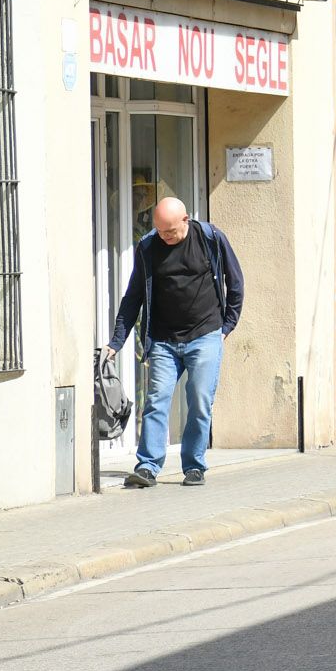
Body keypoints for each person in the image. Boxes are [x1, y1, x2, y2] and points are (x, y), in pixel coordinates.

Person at [105, 197, 246, 488]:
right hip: (164, 340)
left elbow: (236, 282)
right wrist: (117, 341)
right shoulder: (148, 247)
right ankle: (147, 467)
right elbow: (133, 297)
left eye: (171, 231)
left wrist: (228, 325)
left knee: (199, 400)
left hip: (205, 334)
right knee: (156, 402)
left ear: (185, 220)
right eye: (161, 231)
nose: (166, 237)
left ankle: (194, 466)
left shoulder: (210, 238)